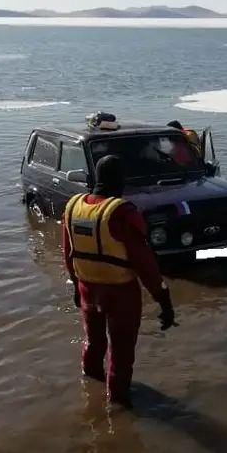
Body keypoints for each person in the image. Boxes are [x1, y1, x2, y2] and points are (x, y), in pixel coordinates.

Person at [62, 155, 176, 408]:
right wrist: (164, 301)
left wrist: (75, 287)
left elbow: (67, 253)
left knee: (93, 341)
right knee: (121, 351)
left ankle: (90, 389)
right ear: (120, 181)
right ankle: (118, 406)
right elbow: (145, 264)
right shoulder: (122, 213)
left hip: (86, 287)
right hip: (120, 293)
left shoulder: (72, 207)